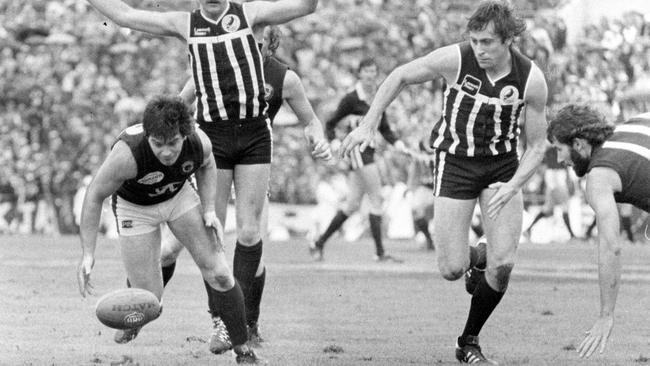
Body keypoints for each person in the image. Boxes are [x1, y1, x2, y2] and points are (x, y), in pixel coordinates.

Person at [85, 0, 319, 355]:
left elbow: (306, 6)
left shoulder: (249, 15)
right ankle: (219, 319)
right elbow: (125, 16)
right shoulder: (186, 23)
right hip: (214, 136)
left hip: (255, 132)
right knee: (213, 234)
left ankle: (237, 326)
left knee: (251, 230)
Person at [340, 1, 548, 363]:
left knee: (504, 264)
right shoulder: (456, 59)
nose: (479, 49)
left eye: (487, 42)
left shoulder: (531, 79)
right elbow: (400, 75)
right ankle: (474, 256)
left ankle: (468, 340)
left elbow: (537, 145)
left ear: (509, 40)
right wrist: (369, 122)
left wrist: (514, 185)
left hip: (501, 167)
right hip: (455, 163)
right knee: (451, 269)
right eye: (475, 41)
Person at [161, 25, 331, 351]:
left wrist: (318, 136)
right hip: (216, 155)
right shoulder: (213, 64)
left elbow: (311, 119)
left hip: (255, 156)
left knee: (252, 241)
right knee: (199, 239)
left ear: (265, 42)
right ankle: (219, 319)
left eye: (252, 38)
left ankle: (245, 323)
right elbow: (178, 107)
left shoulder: (284, 78)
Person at [75, 96, 260, 364]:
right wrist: (88, 254)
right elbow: (94, 196)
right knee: (149, 300)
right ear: (148, 135)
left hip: (178, 197)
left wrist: (209, 209)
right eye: (158, 144)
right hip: (134, 207)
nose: (166, 152)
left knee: (218, 272)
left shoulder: (199, 141)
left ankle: (243, 351)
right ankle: (136, 309)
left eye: (173, 143)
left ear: (184, 135)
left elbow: (208, 166)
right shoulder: (127, 154)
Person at [547, 105, 650, 358]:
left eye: (560, 149)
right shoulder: (632, 124)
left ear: (580, 144)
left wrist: (606, 315)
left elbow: (611, 246)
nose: (561, 160)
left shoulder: (599, 176)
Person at [308, 58, 410, 263]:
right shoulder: (351, 99)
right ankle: (380, 253)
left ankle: (319, 243)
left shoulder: (379, 97)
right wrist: (335, 141)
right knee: (376, 198)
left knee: (352, 205)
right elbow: (330, 123)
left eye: (374, 71)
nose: (371, 75)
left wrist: (398, 144)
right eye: (367, 71)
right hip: (358, 152)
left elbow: (385, 129)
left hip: (369, 151)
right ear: (360, 74)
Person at [524, 147, 577, 241]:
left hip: (553, 176)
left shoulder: (550, 147)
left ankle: (528, 229)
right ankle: (572, 235)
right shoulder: (557, 146)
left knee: (547, 209)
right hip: (556, 176)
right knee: (564, 207)